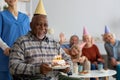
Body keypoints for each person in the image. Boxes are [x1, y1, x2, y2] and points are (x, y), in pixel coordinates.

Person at [9, 0, 73, 80]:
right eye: (38, 24)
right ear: (31, 25)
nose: (43, 28)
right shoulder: (21, 42)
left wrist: (67, 67)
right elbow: (13, 66)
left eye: (45, 25)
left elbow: (67, 59)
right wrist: (37, 69)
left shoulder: (54, 44)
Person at [0, 0, 30, 79]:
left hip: (22, 58)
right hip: (6, 57)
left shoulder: (25, 18)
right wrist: (5, 47)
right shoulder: (1, 16)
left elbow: (30, 37)